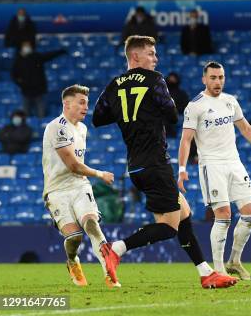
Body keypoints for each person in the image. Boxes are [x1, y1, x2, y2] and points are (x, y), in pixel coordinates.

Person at [92, 36, 236, 289]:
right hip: (155, 163)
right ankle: (115, 249)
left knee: (184, 214)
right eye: (151, 53)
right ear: (135, 56)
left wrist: (131, 117)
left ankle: (206, 273)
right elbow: (171, 115)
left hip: (136, 165)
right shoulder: (155, 79)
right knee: (169, 227)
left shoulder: (114, 85)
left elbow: (97, 117)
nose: (155, 58)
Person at [177, 61, 251, 280]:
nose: (217, 82)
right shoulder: (195, 105)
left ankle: (234, 261)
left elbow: (246, 129)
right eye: (213, 78)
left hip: (234, 162)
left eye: (221, 77)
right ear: (204, 79)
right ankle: (218, 271)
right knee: (224, 216)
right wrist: (182, 168)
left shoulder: (230, 102)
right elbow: (186, 139)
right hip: (212, 165)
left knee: (250, 214)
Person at [41, 85, 118, 288]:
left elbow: (77, 170)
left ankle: (109, 274)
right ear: (67, 104)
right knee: (74, 237)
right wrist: (100, 174)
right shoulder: (56, 127)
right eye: (81, 102)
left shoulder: (82, 128)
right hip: (56, 190)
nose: (86, 107)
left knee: (92, 224)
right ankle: (73, 261)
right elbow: (73, 165)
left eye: (87, 102)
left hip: (79, 186)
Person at [11, 41, 66, 118]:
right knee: (25, 116)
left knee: (41, 115)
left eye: (28, 46)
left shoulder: (36, 57)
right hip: (26, 92)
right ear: (21, 48)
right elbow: (14, 75)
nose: (27, 48)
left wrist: (61, 51)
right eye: (25, 46)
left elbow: (49, 55)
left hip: (39, 91)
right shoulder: (18, 60)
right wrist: (21, 84)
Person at [165, 72, 190, 138]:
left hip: (176, 114)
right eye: (170, 78)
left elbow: (185, 107)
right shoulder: (161, 92)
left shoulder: (182, 94)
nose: (172, 80)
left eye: (174, 79)